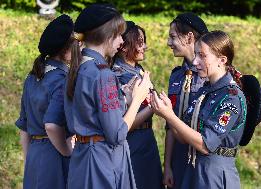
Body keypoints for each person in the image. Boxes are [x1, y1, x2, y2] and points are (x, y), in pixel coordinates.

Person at [64, 4, 152, 189]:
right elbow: (117, 134)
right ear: (108, 35)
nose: (121, 42)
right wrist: (138, 98)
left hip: (83, 158)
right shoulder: (103, 74)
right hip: (102, 162)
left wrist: (125, 98)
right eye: (119, 35)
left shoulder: (79, 67)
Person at [151, 30, 247, 189]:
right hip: (194, 171)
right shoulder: (205, 91)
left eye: (202, 56)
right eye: (195, 55)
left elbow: (205, 145)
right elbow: (184, 137)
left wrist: (170, 116)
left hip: (214, 174)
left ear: (221, 60)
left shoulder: (231, 97)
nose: (195, 62)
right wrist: (166, 112)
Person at [15, 14, 74, 189]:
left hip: (34, 153)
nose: (79, 46)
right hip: (55, 153)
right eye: (75, 42)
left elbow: (24, 128)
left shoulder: (32, 77)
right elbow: (51, 125)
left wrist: (30, 161)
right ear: (65, 50)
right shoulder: (63, 79)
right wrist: (66, 150)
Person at [112, 21, 164, 189]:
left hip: (146, 140)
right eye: (139, 42)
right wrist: (154, 107)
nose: (144, 47)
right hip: (132, 143)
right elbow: (123, 125)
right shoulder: (118, 76)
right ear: (124, 47)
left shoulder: (138, 70)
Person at [163, 12, 208, 189]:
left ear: (189, 37)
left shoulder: (211, 76)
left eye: (173, 37)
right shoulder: (176, 76)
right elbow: (170, 125)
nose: (168, 43)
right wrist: (167, 166)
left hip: (202, 158)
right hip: (179, 159)